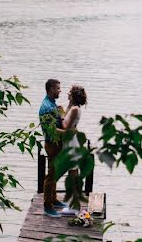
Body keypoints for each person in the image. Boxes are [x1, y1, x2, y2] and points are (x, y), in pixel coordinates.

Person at [38, 78, 68, 217]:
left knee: (55, 173)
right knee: (51, 175)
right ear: (51, 89)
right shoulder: (47, 108)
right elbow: (52, 131)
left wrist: (61, 112)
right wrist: (69, 133)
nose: (59, 91)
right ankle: (47, 206)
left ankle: (54, 199)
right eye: (57, 88)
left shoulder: (52, 104)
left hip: (57, 144)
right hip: (52, 144)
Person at [60, 85, 87, 215]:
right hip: (69, 141)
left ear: (74, 95)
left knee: (73, 175)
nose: (67, 94)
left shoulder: (75, 109)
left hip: (71, 143)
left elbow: (66, 126)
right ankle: (74, 203)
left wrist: (59, 116)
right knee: (72, 174)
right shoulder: (72, 107)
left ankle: (75, 206)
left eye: (69, 92)